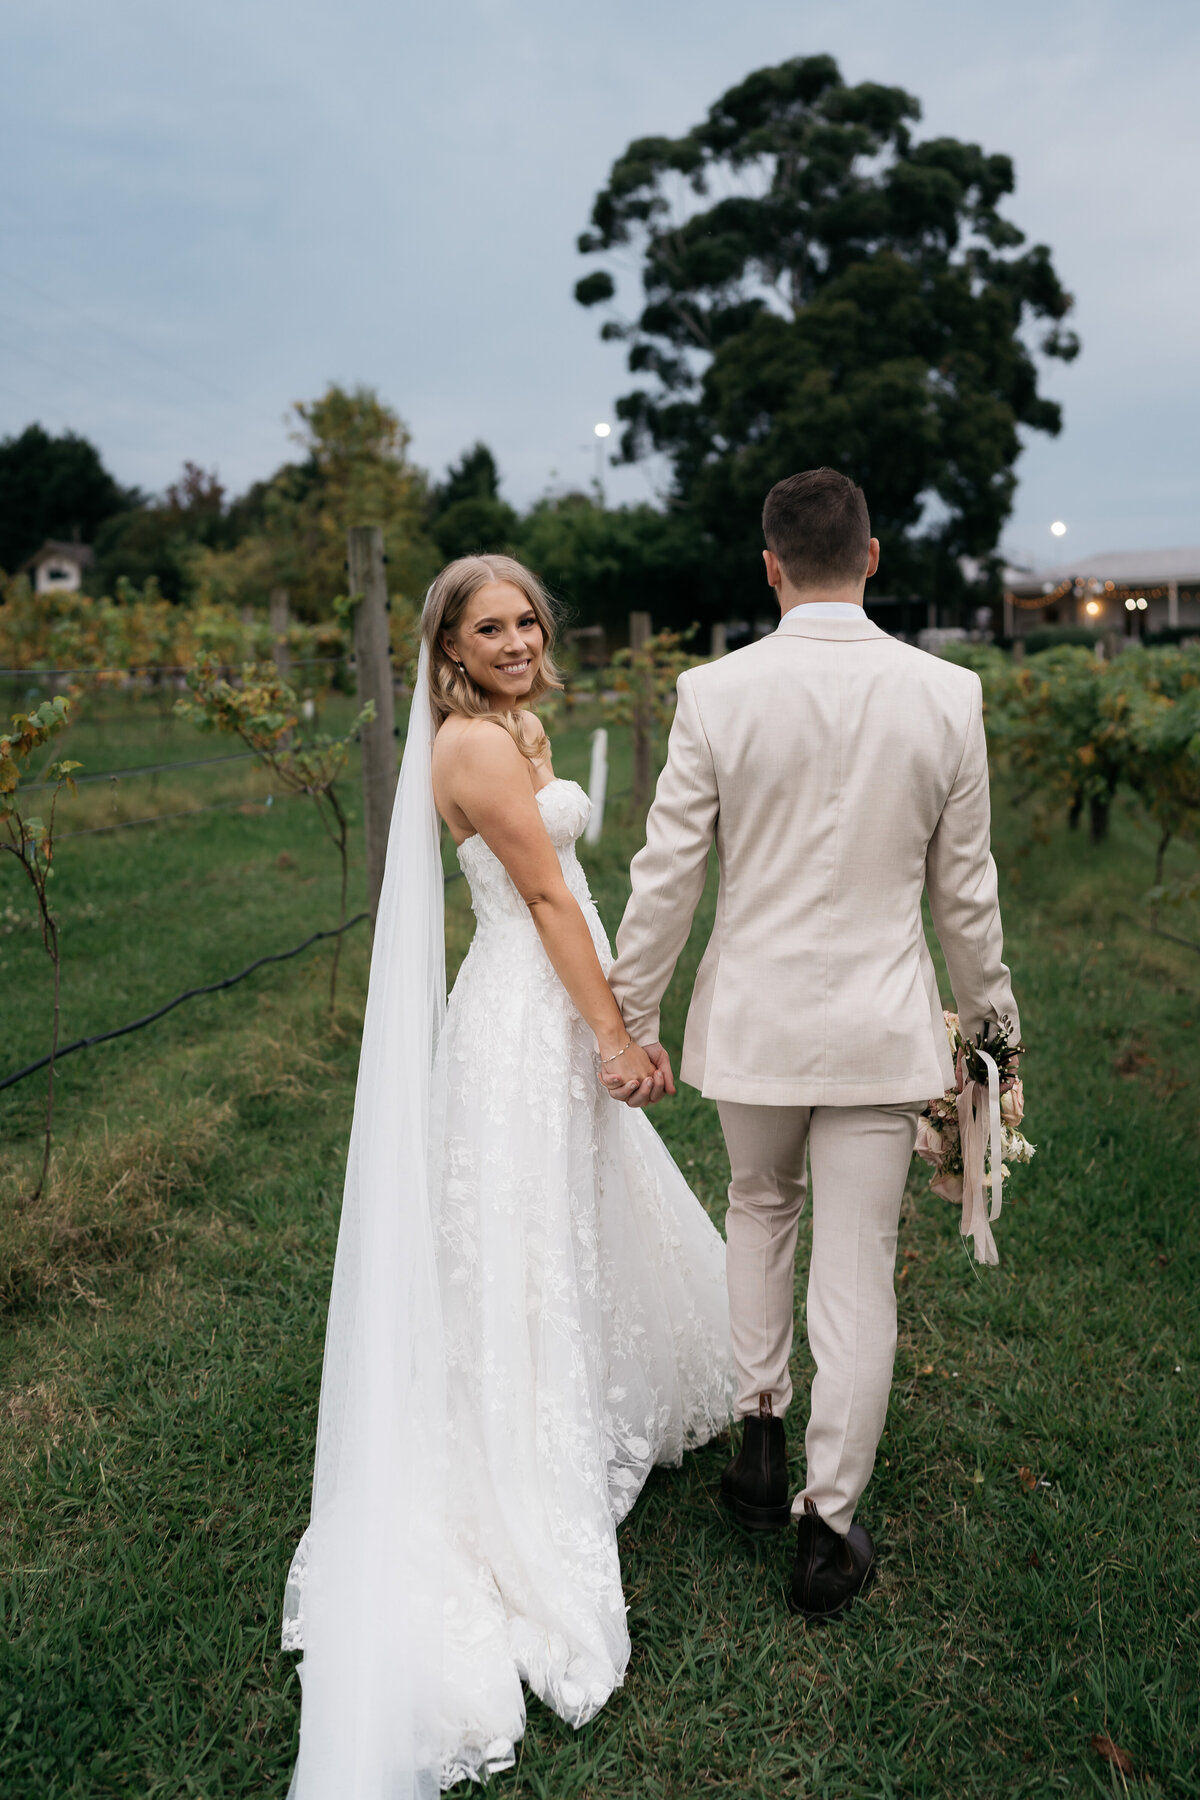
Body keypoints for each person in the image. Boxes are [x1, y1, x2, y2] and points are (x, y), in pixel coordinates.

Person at [282, 554, 734, 1796]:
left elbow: (563, 881)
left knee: (578, 1217)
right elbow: (542, 891)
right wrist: (612, 1035)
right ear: (449, 650)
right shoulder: (475, 753)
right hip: (524, 1021)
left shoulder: (517, 726)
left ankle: (591, 1391)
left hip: (550, 1000)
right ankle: (514, 1455)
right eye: (493, 626)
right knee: (524, 1235)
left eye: (528, 618)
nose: (521, 637)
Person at [608, 468, 1020, 1619]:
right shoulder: (948, 694)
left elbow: (669, 873)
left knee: (758, 1206)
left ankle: (757, 1438)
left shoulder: (714, 692)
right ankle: (830, 1529)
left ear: (771, 566)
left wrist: (631, 1012)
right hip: (883, 1025)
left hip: (756, 1018)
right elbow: (967, 896)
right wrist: (992, 1033)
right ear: (874, 558)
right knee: (856, 1267)